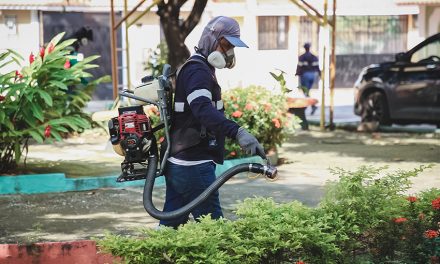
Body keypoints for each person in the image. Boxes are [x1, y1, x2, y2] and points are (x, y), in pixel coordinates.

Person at [159, 16, 266, 228]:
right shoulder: (197, 71)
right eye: (226, 45)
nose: (229, 52)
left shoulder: (201, 69)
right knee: (214, 230)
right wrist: (237, 132)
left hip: (182, 163)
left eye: (232, 47)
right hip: (193, 165)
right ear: (211, 39)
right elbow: (203, 110)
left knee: (169, 227)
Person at [295, 42, 320, 115]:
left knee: (305, 91)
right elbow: (317, 67)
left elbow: (299, 67)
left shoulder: (302, 57)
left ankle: (312, 105)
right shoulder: (314, 57)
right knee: (307, 91)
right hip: (312, 75)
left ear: (305, 48)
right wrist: (319, 74)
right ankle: (311, 106)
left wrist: (297, 73)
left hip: (305, 75)